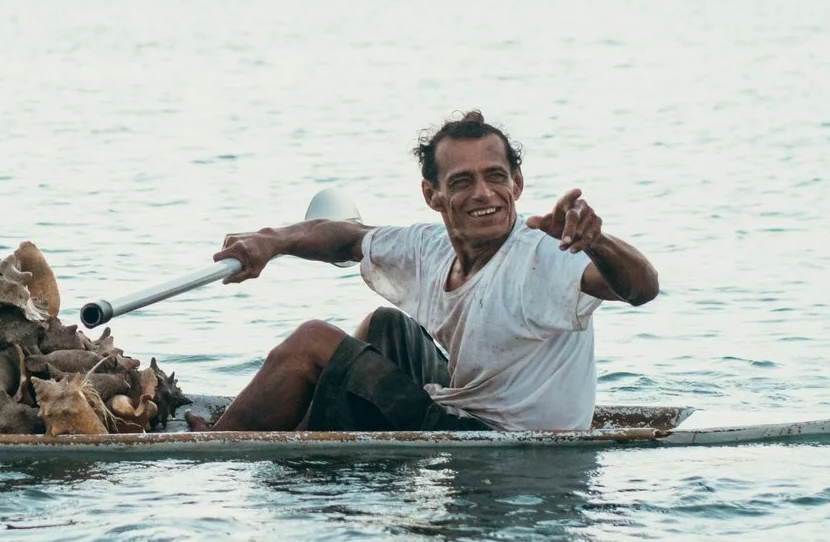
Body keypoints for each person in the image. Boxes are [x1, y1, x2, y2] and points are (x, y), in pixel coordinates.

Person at [206, 112, 659, 433]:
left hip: (500, 442)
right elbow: (345, 237)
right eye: (462, 182)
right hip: (461, 410)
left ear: (517, 184)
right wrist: (271, 240)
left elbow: (642, 289)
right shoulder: (427, 247)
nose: (484, 194)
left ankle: (210, 447)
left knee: (311, 341)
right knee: (383, 326)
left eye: (496, 177)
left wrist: (597, 242)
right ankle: (298, 432)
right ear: (432, 194)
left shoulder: (546, 254)